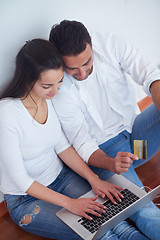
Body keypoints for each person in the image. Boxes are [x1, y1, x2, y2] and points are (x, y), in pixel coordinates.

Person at [0, 39, 149, 240]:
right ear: (28, 80)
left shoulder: (48, 100)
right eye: (47, 85)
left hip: (62, 179)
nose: (56, 91)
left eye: (59, 81)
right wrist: (70, 204)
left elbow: (63, 147)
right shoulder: (7, 114)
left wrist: (94, 179)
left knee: (119, 223)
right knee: (101, 234)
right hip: (25, 199)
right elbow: (20, 179)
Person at [49, 20, 160, 240]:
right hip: (107, 155)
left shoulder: (111, 44)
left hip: (138, 145)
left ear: (90, 43)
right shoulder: (59, 88)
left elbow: (149, 75)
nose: (82, 73)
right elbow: (82, 142)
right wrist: (112, 164)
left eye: (87, 63)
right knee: (142, 208)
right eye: (73, 69)